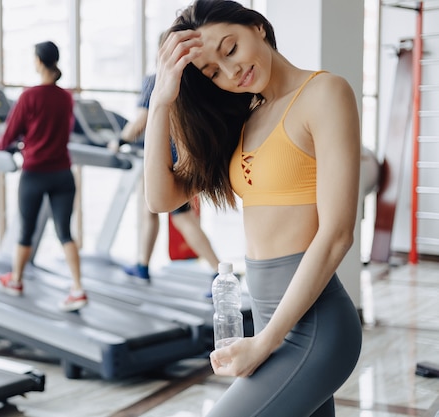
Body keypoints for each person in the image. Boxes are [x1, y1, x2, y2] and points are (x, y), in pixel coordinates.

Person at [143, 1, 363, 415]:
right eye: (211, 72)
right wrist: (160, 100)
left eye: (230, 49)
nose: (229, 73)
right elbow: (161, 198)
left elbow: (337, 234)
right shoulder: (246, 116)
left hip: (312, 327)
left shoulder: (324, 93)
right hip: (269, 319)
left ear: (257, 26)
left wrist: (265, 343)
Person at [0, 41, 88, 313]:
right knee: (65, 233)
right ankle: (77, 288)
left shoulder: (29, 96)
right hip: (63, 174)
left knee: (26, 232)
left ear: (39, 62)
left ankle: (16, 280)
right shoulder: (66, 97)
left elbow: (9, 135)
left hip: (35, 174)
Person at [119, 64, 220, 287]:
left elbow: (142, 120)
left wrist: (119, 140)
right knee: (150, 210)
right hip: (184, 155)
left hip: (161, 159)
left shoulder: (155, 81)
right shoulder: (190, 82)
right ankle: (143, 265)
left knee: (181, 217)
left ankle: (218, 270)